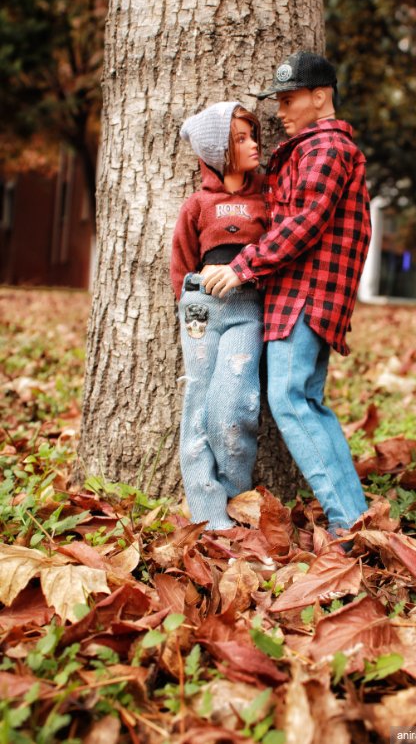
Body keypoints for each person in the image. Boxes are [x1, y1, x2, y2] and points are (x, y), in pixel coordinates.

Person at [201, 51, 371, 536]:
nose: (280, 110)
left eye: (290, 98)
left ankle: (347, 526)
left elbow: (305, 222)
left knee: (291, 400)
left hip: (306, 294)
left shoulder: (327, 150)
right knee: (307, 401)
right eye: (278, 100)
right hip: (300, 294)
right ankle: (355, 517)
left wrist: (242, 266)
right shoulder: (307, 149)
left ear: (321, 97)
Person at [170, 101, 268, 530]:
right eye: (241, 139)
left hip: (248, 307)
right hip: (201, 311)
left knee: (234, 404)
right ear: (218, 150)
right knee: (198, 404)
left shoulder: (266, 198)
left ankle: (234, 499)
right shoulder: (198, 203)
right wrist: (188, 301)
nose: (254, 145)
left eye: (253, 136)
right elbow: (182, 259)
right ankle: (209, 519)